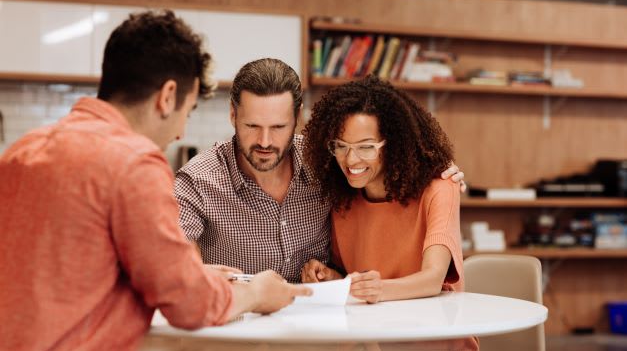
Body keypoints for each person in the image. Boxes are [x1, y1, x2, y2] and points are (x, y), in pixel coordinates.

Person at [0, 11, 310, 351]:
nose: (181, 131)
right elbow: (189, 304)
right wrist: (257, 292)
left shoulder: (22, 150)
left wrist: (184, 270)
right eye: (188, 110)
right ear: (167, 97)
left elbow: (66, 271)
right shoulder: (133, 162)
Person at [175, 58, 465, 282]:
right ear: (233, 115)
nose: (265, 141)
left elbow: (375, 161)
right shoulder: (198, 181)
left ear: (297, 118)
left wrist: (437, 168)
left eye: (278, 127)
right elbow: (176, 270)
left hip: (324, 334)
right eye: (252, 126)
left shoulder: (326, 160)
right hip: (242, 333)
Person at [300, 75, 479, 351]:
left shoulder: (440, 189)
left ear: (394, 144)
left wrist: (378, 288)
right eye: (340, 146)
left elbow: (432, 278)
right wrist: (332, 278)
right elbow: (353, 277)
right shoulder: (343, 201)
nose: (351, 160)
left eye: (366, 147)